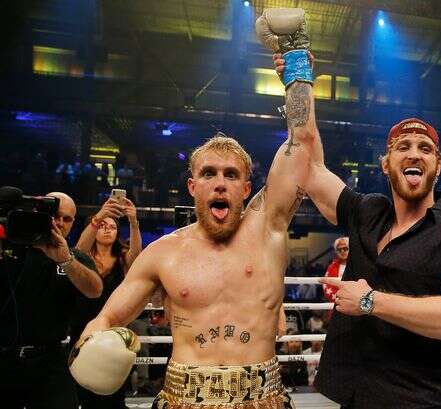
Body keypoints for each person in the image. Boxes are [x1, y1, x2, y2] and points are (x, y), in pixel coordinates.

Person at [71, 8, 317, 408]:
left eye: (231, 175)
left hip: (264, 398)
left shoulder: (268, 228)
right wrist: (92, 338)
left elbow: (301, 148)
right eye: (208, 174)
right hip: (182, 399)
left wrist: (296, 66)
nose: (219, 182)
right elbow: (109, 317)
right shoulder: (162, 254)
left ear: (246, 188)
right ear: (193, 186)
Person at [274, 57, 441, 408]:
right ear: (385, 162)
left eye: (425, 149)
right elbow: (310, 165)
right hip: (356, 395)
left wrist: (370, 301)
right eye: (403, 147)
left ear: (438, 165)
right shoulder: (368, 211)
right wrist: (298, 80)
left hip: (422, 401)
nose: (415, 154)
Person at [0, 191, 102, 409]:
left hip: (51, 360)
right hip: (4, 359)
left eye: (67, 219)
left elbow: (95, 290)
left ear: (73, 223)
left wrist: (65, 260)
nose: (60, 223)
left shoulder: (75, 257)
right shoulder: (9, 250)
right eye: (55, 215)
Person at [70, 196, 143, 408]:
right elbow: (74, 254)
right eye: (102, 226)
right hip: (83, 325)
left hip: (114, 330)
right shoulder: (84, 257)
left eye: (112, 226)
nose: (108, 229)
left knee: (112, 393)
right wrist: (99, 216)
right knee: (82, 387)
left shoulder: (122, 257)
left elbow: (137, 258)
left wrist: (134, 223)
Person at [322, 237, 349, 302]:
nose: (342, 251)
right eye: (339, 249)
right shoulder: (332, 267)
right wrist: (338, 298)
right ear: (336, 252)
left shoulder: (357, 265)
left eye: (345, 248)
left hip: (353, 303)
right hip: (336, 303)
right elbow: (326, 285)